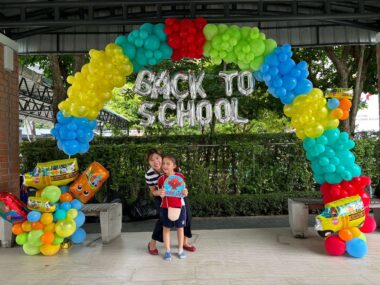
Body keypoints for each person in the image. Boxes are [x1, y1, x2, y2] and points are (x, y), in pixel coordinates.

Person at [145, 149, 196, 255]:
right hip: (161, 196)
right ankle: (152, 243)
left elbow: (182, 185)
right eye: (151, 160)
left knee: (187, 215)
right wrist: (159, 192)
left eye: (157, 158)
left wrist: (184, 191)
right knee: (163, 219)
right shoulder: (149, 174)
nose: (155, 162)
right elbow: (153, 192)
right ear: (148, 162)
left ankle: (184, 242)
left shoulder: (170, 166)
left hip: (177, 196)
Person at [157, 155, 187, 260]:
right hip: (165, 207)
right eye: (163, 163)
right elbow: (159, 192)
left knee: (180, 228)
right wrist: (160, 193)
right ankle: (168, 251)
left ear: (174, 166)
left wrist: (185, 192)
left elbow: (184, 191)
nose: (164, 165)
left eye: (168, 163)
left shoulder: (180, 176)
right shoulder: (161, 179)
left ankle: (180, 250)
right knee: (166, 229)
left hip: (180, 206)